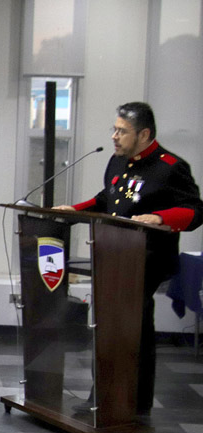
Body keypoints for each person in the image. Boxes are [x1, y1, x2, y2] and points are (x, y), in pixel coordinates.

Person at [55, 102, 203, 415]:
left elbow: (195, 211)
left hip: (146, 260)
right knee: (106, 328)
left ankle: (134, 403)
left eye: (122, 131)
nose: (115, 136)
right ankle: (104, 398)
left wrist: (160, 217)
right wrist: (75, 210)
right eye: (115, 129)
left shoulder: (171, 167)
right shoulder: (117, 161)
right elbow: (105, 200)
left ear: (144, 133)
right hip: (113, 255)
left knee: (132, 330)